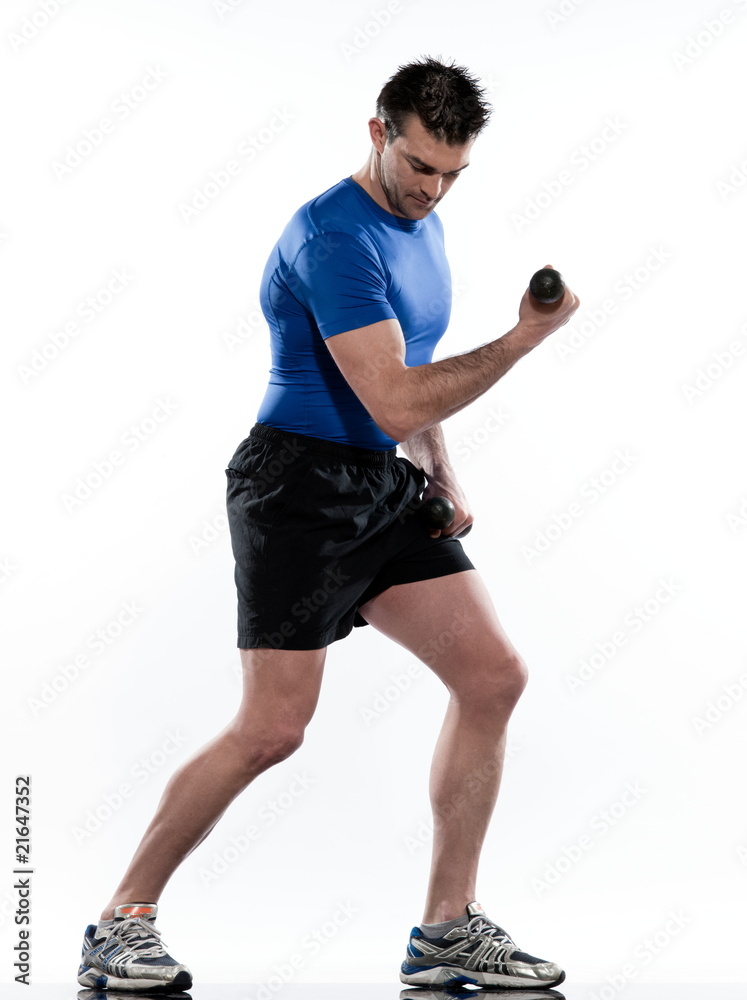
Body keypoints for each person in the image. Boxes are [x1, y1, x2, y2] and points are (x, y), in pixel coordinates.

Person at [77, 55, 579, 993]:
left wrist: (439, 464)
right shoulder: (332, 237)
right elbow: (389, 395)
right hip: (293, 493)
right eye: (420, 166)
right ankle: (119, 922)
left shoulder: (421, 224)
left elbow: (407, 366)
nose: (432, 190)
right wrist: (520, 340)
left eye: (452, 174)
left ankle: (445, 931)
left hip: (378, 482)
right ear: (378, 132)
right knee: (273, 729)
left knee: (493, 675)